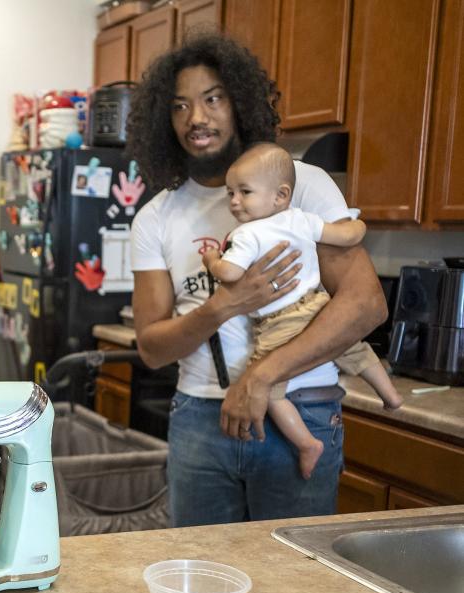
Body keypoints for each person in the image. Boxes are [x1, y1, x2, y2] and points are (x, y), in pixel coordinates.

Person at [127, 33, 388, 526]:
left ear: (241, 103)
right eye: (180, 106)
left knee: (293, 587)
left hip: (302, 409)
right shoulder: (156, 218)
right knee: (198, 579)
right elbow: (152, 347)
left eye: (213, 99)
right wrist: (225, 304)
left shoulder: (301, 184)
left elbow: (366, 305)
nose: (196, 118)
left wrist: (262, 377)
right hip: (200, 422)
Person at [201, 141, 403, 480]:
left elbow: (231, 273)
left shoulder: (246, 234)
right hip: (317, 306)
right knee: (356, 350)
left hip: (279, 321)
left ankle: (307, 443)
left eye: (244, 192)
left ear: (280, 195)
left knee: (271, 387)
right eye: (231, 193)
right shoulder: (302, 220)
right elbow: (349, 233)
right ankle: (391, 395)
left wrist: (212, 261)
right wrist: (358, 225)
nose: (234, 202)